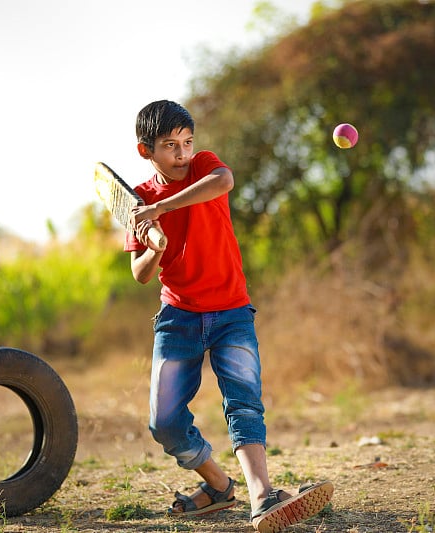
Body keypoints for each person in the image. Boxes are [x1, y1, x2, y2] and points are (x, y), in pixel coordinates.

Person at [125, 100, 334, 533]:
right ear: (146, 151)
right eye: (170, 146)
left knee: (243, 400)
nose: (182, 154)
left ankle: (262, 496)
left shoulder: (204, 168)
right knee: (163, 422)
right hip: (178, 317)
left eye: (187, 142)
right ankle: (219, 486)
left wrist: (164, 209)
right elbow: (140, 274)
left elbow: (224, 181)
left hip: (232, 310)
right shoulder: (140, 201)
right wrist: (153, 247)